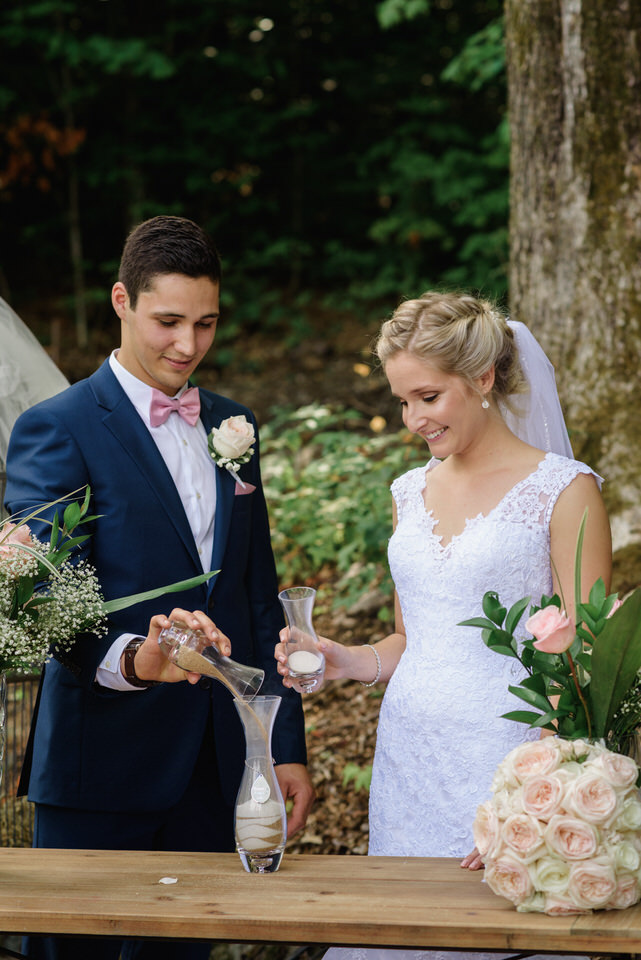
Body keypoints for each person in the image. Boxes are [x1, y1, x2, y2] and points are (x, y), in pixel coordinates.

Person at [5, 215, 314, 960]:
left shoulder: (234, 426)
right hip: (99, 768)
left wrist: (282, 744)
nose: (188, 344)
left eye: (205, 323)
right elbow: (49, 600)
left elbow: (255, 594)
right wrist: (138, 660)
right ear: (121, 301)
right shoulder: (58, 426)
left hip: (214, 766)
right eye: (167, 321)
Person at [275, 291, 611, 960]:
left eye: (427, 397)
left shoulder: (565, 489)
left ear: (482, 379)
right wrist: (347, 660)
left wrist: (530, 800)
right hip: (409, 756)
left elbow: (587, 648)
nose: (412, 419)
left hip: (510, 759)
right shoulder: (408, 491)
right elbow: (412, 639)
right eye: (402, 402)